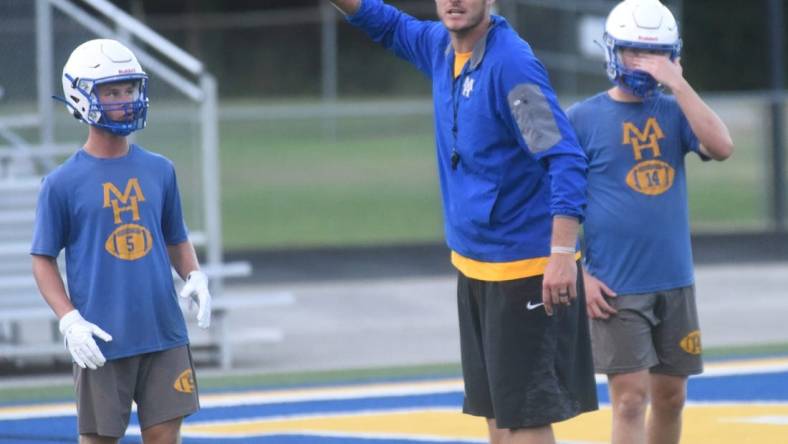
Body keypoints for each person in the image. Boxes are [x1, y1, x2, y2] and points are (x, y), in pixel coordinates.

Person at [327, 1, 597, 442]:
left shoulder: (511, 64)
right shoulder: (439, 46)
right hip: (475, 268)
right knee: (497, 417)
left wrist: (563, 254)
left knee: (525, 420)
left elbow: (564, 158)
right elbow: (388, 24)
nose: (455, 1)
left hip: (525, 272)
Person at [566, 1, 734, 443]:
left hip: (675, 281)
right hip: (616, 285)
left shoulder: (675, 109)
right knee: (628, 399)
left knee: (671, 397)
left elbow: (722, 146)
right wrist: (578, 272)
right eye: (633, 54)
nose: (643, 65)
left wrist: (677, 84)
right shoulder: (582, 119)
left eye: (656, 55)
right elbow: (557, 202)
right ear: (612, 52)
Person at [31, 38, 212, 443]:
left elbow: (175, 237)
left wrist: (194, 275)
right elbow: (42, 258)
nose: (125, 100)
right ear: (80, 97)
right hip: (102, 337)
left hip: (163, 333)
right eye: (111, 92)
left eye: (129, 89)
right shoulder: (61, 183)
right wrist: (70, 320)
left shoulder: (160, 169)